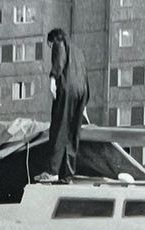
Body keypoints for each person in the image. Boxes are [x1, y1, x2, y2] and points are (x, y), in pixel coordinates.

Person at [33, 28, 90, 184]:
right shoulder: (78, 51)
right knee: (72, 134)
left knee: (58, 128)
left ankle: (52, 171)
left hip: (67, 88)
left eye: (49, 46)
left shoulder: (59, 42)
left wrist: (53, 78)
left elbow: (59, 61)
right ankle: (67, 174)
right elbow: (84, 74)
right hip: (81, 91)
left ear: (53, 40)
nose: (51, 48)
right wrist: (84, 103)